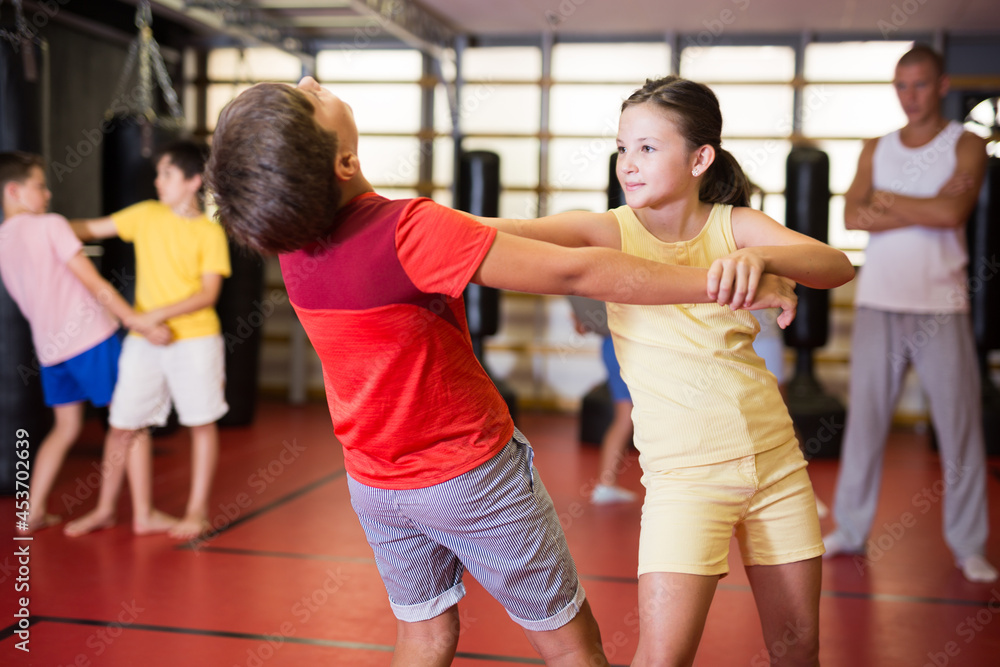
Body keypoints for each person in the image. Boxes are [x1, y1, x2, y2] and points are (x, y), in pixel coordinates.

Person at [205, 76, 798, 667]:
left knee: (424, 632)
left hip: (375, 482)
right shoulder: (409, 231)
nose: (314, 81)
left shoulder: (294, 244)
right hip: (467, 472)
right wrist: (718, 282)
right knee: (571, 647)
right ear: (345, 161)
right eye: (313, 99)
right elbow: (577, 274)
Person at [474, 76, 855, 665]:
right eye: (623, 148)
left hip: (778, 466)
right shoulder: (611, 230)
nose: (628, 164)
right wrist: (394, 219)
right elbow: (508, 234)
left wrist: (763, 255)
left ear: (700, 158)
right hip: (686, 482)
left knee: (798, 649)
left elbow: (833, 264)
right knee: (662, 659)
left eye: (648, 148)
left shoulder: (735, 225)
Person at [822, 44, 997, 583]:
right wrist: (913, 204)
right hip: (879, 301)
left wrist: (888, 203)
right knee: (865, 426)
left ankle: (969, 545)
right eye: (901, 85)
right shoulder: (875, 146)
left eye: (920, 85)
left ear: (942, 86)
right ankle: (850, 529)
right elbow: (853, 214)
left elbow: (951, 213)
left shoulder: (967, 143)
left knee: (959, 427)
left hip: (941, 306)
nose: (910, 96)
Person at [64, 140, 231, 541]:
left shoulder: (210, 233)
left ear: (193, 181)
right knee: (124, 425)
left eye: (167, 174)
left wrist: (153, 316)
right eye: (158, 173)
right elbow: (88, 228)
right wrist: (36, 224)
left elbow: (208, 295)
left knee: (201, 424)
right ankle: (110, 509)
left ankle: (196, 511)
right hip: (145, 341)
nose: (158, 181)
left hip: (195, 341)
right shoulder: (146, 215)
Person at [0, 151, 171, 533]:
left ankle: (32, 513)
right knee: (133, 422)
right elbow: (94, 283)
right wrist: (135, 321)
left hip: (49, 349)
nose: (46, 194)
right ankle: (144, 515)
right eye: (39, 186)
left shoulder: (2, 242)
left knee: (65, 428)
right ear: (13, 190)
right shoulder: (50, 225)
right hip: (90, 339)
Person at [568, 295, 637, 504]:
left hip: (610, 346)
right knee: (630, 417)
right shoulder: (612, 269)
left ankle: (606, 484)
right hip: (625, 345)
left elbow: (580, 327)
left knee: (625, 418)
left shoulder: (573, 285)